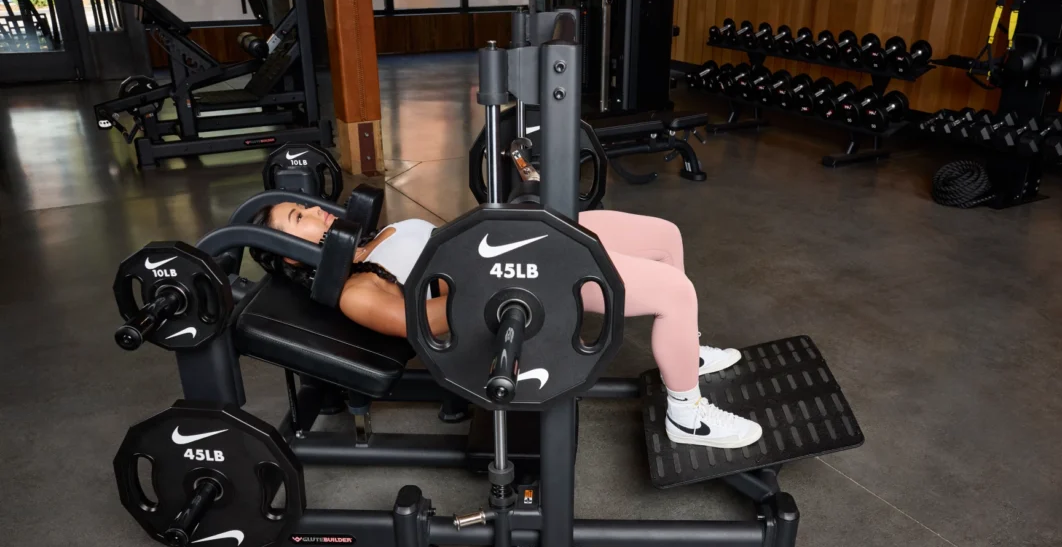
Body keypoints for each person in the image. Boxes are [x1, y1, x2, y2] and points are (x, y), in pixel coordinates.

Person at [249, 202, 763, 449]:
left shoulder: (373, 237)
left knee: (664, 236)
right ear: (297, 257)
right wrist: (486, 277)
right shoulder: (359, 290)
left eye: (303, 206)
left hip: (513, 249)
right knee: (675, 293)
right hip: (518, 289)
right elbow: (432, 324)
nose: (315, 209)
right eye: (299, 218)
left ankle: (684, 357)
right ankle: (686, 415)